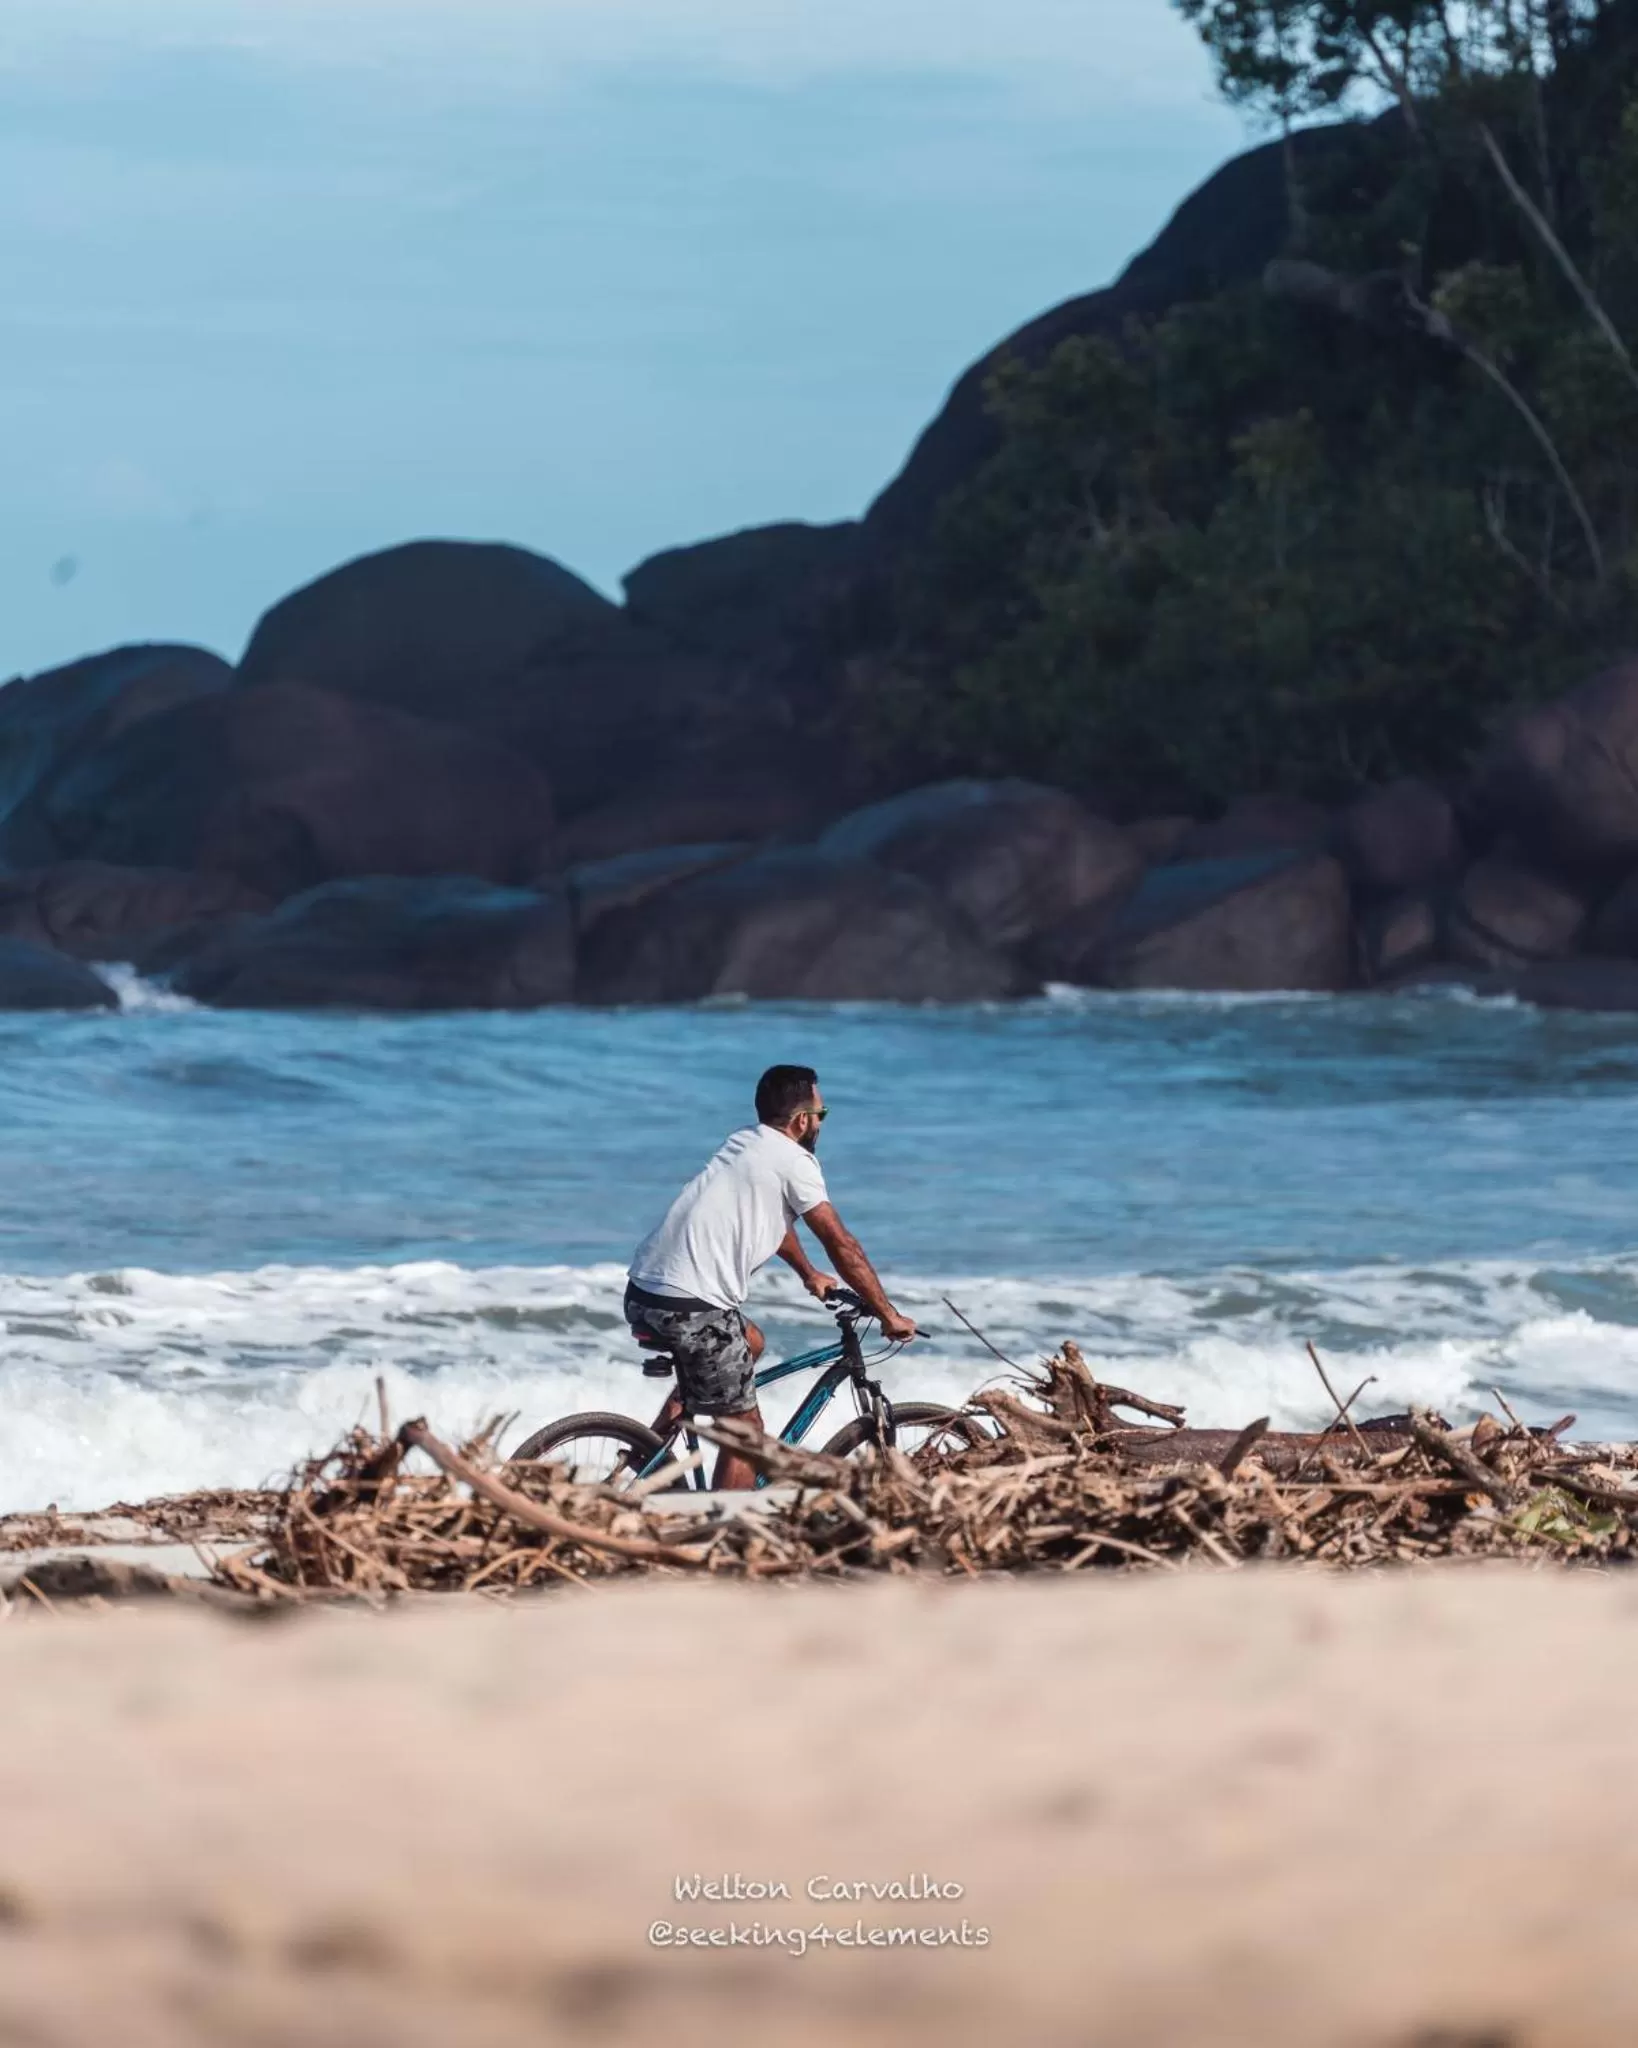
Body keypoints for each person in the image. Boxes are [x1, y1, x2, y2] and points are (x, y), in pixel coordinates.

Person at [625, 1064, 918, 1490]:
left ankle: (650, 1445)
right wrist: (887, 1314)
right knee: (749, 1433)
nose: (820, 1122)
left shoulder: (745, 1141)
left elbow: (768, 1221)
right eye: (822, 1113)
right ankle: (723, 1534)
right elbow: (841, 1243)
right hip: (692, 1307)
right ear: (803, 1121)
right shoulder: (796, 1162)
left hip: (645, 1290)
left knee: (751, 1341)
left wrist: (808, 1273)